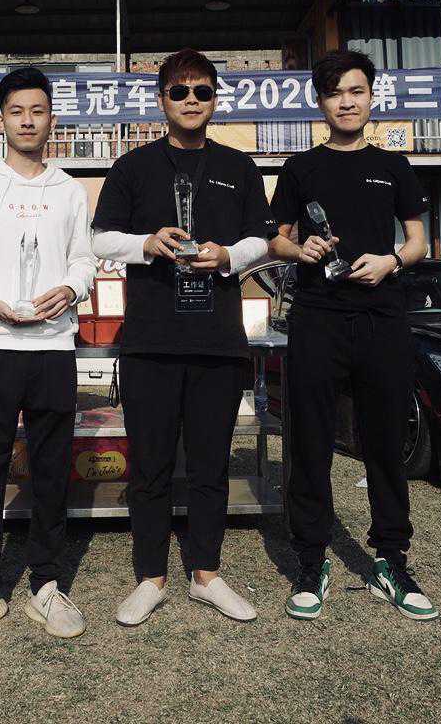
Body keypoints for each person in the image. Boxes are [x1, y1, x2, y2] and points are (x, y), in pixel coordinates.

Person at [92, 49, 274, 627]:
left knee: (209, 465)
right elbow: (100, 239)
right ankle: (150, 577)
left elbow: (263, 238)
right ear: (161, 99)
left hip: (217, 341)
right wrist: (145, 244)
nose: (190, 100)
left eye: (201, 91)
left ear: (216, 99)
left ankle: (206, 574)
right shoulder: (132, 167)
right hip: (150, 340)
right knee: (148, 465)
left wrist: (228, 256)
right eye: (179, 91)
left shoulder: (239, 167)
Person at [267, 49, 437, 622]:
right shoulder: (300, 168)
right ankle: (310, 559)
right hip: (317, 317)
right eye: (336, 92)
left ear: (370, 97)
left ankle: (392, 559)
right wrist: (301, 249)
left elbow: (417, 241)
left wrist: (392, 261)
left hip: (382, 319)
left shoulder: (394, 166)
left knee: (384, 441)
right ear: (320, 101)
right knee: (310, 440)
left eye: (357, 91)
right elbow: (276, 239)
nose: (347, 102)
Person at [0, 66, 99, 642]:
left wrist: (72, 289)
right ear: (0, 118)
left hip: (52, 347)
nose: (27, 121)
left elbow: (84, 259)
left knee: (52, 465)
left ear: (52, 119)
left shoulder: (69, 190)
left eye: (38, 111)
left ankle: (47, 584)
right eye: (17, 111)